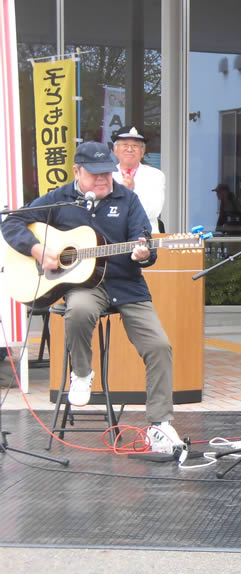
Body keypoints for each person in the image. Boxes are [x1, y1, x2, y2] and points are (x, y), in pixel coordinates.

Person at [0, 141, 181, 453]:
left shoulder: (128, 199)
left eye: (107, 174)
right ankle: (81, 373)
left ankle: (160, 425)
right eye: (95, 174)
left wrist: (142, 254)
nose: (103, 180)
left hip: (127, 285)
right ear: (77, 172)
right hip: (85, 286)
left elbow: (145, 246)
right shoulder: (60, 199)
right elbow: (13, 221)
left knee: (159, 345)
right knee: (80, 310)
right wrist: (38, 249)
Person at [111, 125, 166, 234]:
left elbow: (153, 211)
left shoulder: (155, 175)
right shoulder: (106, 175)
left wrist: (127, 194)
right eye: (125, 145)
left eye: (135, 146)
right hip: (113, 237)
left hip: (145, 235)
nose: (130, 149)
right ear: (115, 150)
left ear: (142, 152)